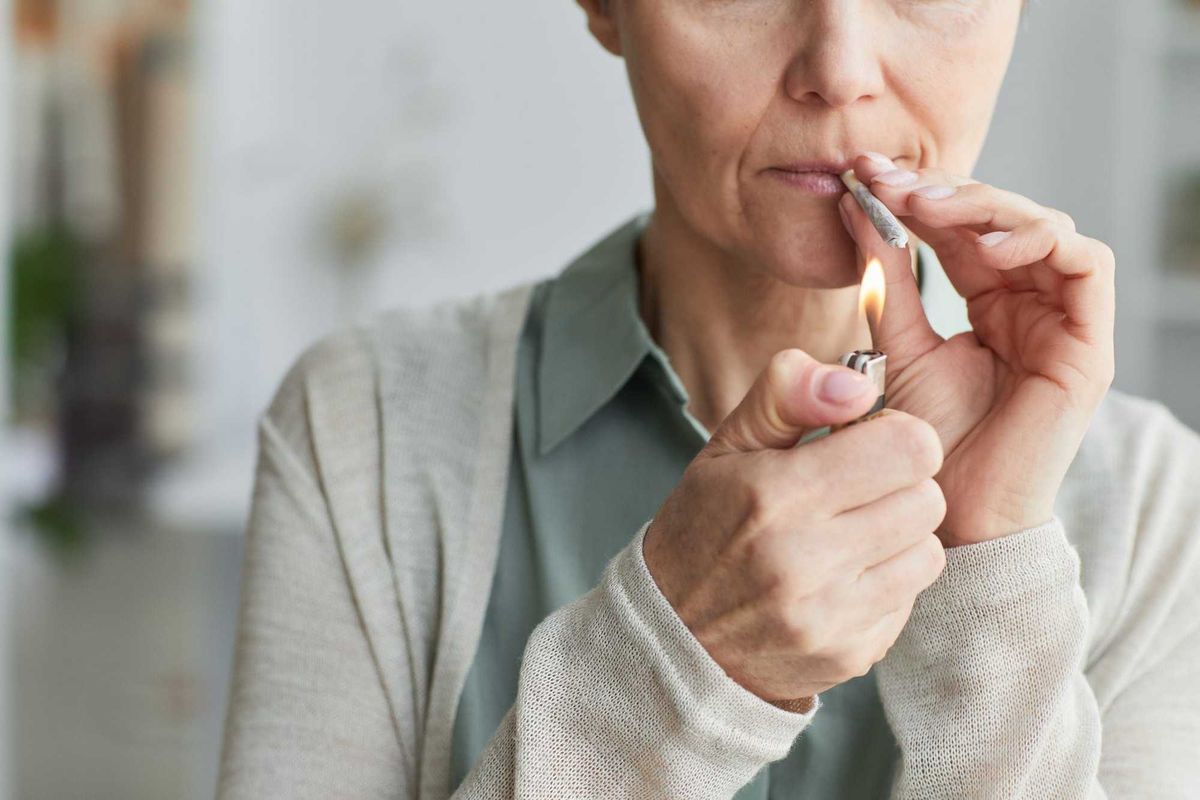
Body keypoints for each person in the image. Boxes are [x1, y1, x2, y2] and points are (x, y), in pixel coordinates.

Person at [218, 0, 1200, 797]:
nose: (841, 65)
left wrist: (993, 573)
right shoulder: (368, 425)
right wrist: (675, 660)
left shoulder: (1159, 504)